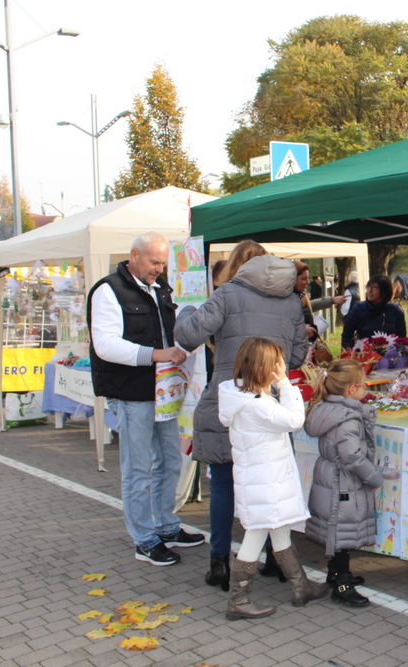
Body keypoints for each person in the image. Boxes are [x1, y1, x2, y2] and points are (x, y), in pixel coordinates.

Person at [174, 240, 308, 589]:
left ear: (237, 266)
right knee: (274, 485)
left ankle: (220, 562)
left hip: (230, 401)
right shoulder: (291, 301)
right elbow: (296, 357)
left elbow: (187, 335)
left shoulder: (227, 294)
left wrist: (186, 311)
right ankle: (277, 560)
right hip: (270, 402)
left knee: (223, 484)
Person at [87, 232, 205, 566]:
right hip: (132, 391)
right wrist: (157, 354)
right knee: (137, 468)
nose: (159, 269)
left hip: (164, 391)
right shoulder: (108, 290)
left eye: (163, 263)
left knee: (169, 461)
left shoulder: (159, 288)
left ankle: (167, 526)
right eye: (154, 262)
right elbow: (105, 345)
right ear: (134, 255)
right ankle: (144, 538)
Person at [218, 337, 330, 619]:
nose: (281, 369)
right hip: (265, 482)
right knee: (256, 534)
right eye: (277, 365)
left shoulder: (244, 396)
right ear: (263, 369)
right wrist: (285, 385)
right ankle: (238, 599)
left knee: (279, 529)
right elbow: (294, 420)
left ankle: (300, 586)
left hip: (262, 478)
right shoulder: (257, 404)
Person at [303, 358, 384, 606]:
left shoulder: (327, 409)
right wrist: (374, 476)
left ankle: (334, 573)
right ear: (351, 389)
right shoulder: (348, 418)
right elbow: (352, 457)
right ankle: (342, 584)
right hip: (343, 482)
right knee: (343, 530)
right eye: (363, 384)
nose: (365, 388)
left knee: (336, 528)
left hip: (330, 476)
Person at [341, 275, 407, 349]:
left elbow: (401, 338)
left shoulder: (395, 310)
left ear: (384, 291)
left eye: (374, 287)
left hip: (389, 352)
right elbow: (347, 334)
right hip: (363, 352)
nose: (370, 290)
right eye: (369, 286)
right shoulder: (359, 308)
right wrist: (349, 350)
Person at [294, 261, 346, 344]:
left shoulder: (300, 296)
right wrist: (300, 330)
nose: (308, 282)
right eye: (304, 279)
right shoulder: (287, 300)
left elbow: (310, 305)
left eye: (308, 278)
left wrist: (332, 300)